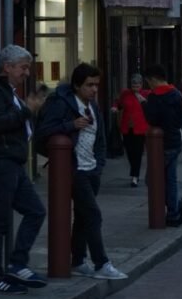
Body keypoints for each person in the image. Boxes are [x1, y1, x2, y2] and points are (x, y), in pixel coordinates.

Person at [36, 63, 127, 280]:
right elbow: (43, 132)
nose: (94, 90)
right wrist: (70, 125)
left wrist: (99, 165)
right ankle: (101, 263)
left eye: (96, 85)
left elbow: (100, 138)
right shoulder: (60, 103)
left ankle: (77, 260)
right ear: (77, 85)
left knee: (83, 216)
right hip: (73, 169)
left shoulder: (93, 106)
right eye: (89, 85)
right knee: (93, 215)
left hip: (91, 169)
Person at [0, 44, 47, 294]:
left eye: (27, 67)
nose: (26, 72)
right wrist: (28, 110)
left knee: (35, 211)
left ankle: (17, 263)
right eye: (23, 68)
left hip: (13, 163)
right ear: (7, 67)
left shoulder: (9, 91)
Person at [142, 64, 182, 226]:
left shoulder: (155, 97)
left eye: (149, 82)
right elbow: (180, 117)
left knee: (152, 179)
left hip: (161, 144)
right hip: (175, 140)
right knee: (170, 178)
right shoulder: (177, 94)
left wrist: (144, 105)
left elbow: (152, 119)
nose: (149, 85)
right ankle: (173, 211)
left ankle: (171, 207)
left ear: (153, 79)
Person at [116, 74, 149, 187]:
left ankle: (135, 176)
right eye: (133, 85)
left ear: (141, 85)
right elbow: (119, 104)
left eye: (137, 85)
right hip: (126, 126)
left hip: (140, 127)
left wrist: (144, 101)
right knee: (129, 151)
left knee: (138, 152)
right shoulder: (125, 93)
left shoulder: (145, 94)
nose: (135, 87)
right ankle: (134, 171)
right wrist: (115, 108)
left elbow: (151, 106)